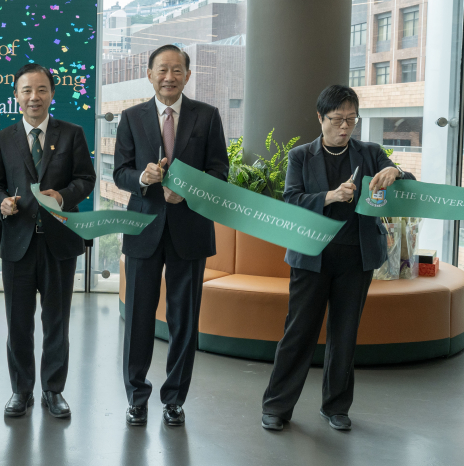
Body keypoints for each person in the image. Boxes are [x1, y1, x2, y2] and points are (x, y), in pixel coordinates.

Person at [261, 85, 415, 432]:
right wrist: (329, 196)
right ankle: (277, 406)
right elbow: (291, 199)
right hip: (311, 257)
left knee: (345, 335)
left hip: (356, 258)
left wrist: (396, 173)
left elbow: (407, 183)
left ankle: (336, 407)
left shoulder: (371, 152)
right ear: (320, 117)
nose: (344, 127)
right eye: (336, 119)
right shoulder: (301, 156)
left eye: (351, 120)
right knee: (298, 333)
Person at [113, 44, 229, 427]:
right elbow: (120, 173)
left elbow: (219, 172)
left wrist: (189, 191)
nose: (169, 77)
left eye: (177, 70)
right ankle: (136, 397)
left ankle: (175, 399)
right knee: (138, 319)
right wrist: (143, 178)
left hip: (190, 230)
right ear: (149, 74)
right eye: (162, 70)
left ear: (188, 75)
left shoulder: (207, 116)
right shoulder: (131, 117)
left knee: (184, 320)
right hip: (143, 228)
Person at [0, 64, 96, 418]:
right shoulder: (2, 138)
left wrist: (62, 196)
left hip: (59, 243)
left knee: (56, 323)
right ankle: (21, 390)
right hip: (17, 243)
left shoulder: (72, 133)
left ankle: (53, 389)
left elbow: (86, 178)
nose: (34, 97)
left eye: (42, 89)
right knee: (18, 323)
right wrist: (1, 202)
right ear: (16, 96)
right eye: (27, 90)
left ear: (52, 94)